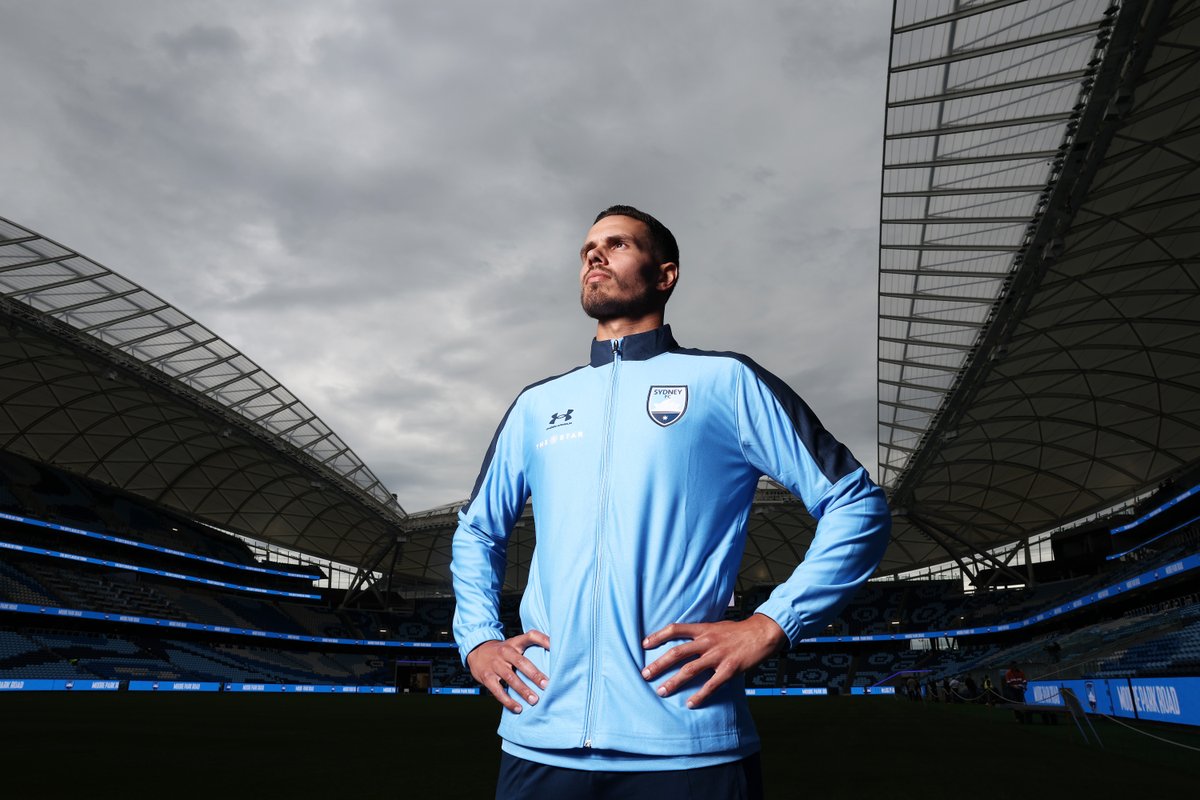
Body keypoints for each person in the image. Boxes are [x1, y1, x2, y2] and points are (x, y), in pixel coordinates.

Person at [452, 205, 892, 799]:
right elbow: (478, 531)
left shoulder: (726, 383)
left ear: (666, 274)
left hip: (688, 742)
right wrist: (478, 638)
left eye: (617, 244)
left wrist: (770, 623)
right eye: (587, 249)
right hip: (539, 738)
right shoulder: (537, 405)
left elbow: (855, 504)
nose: (594, 256)